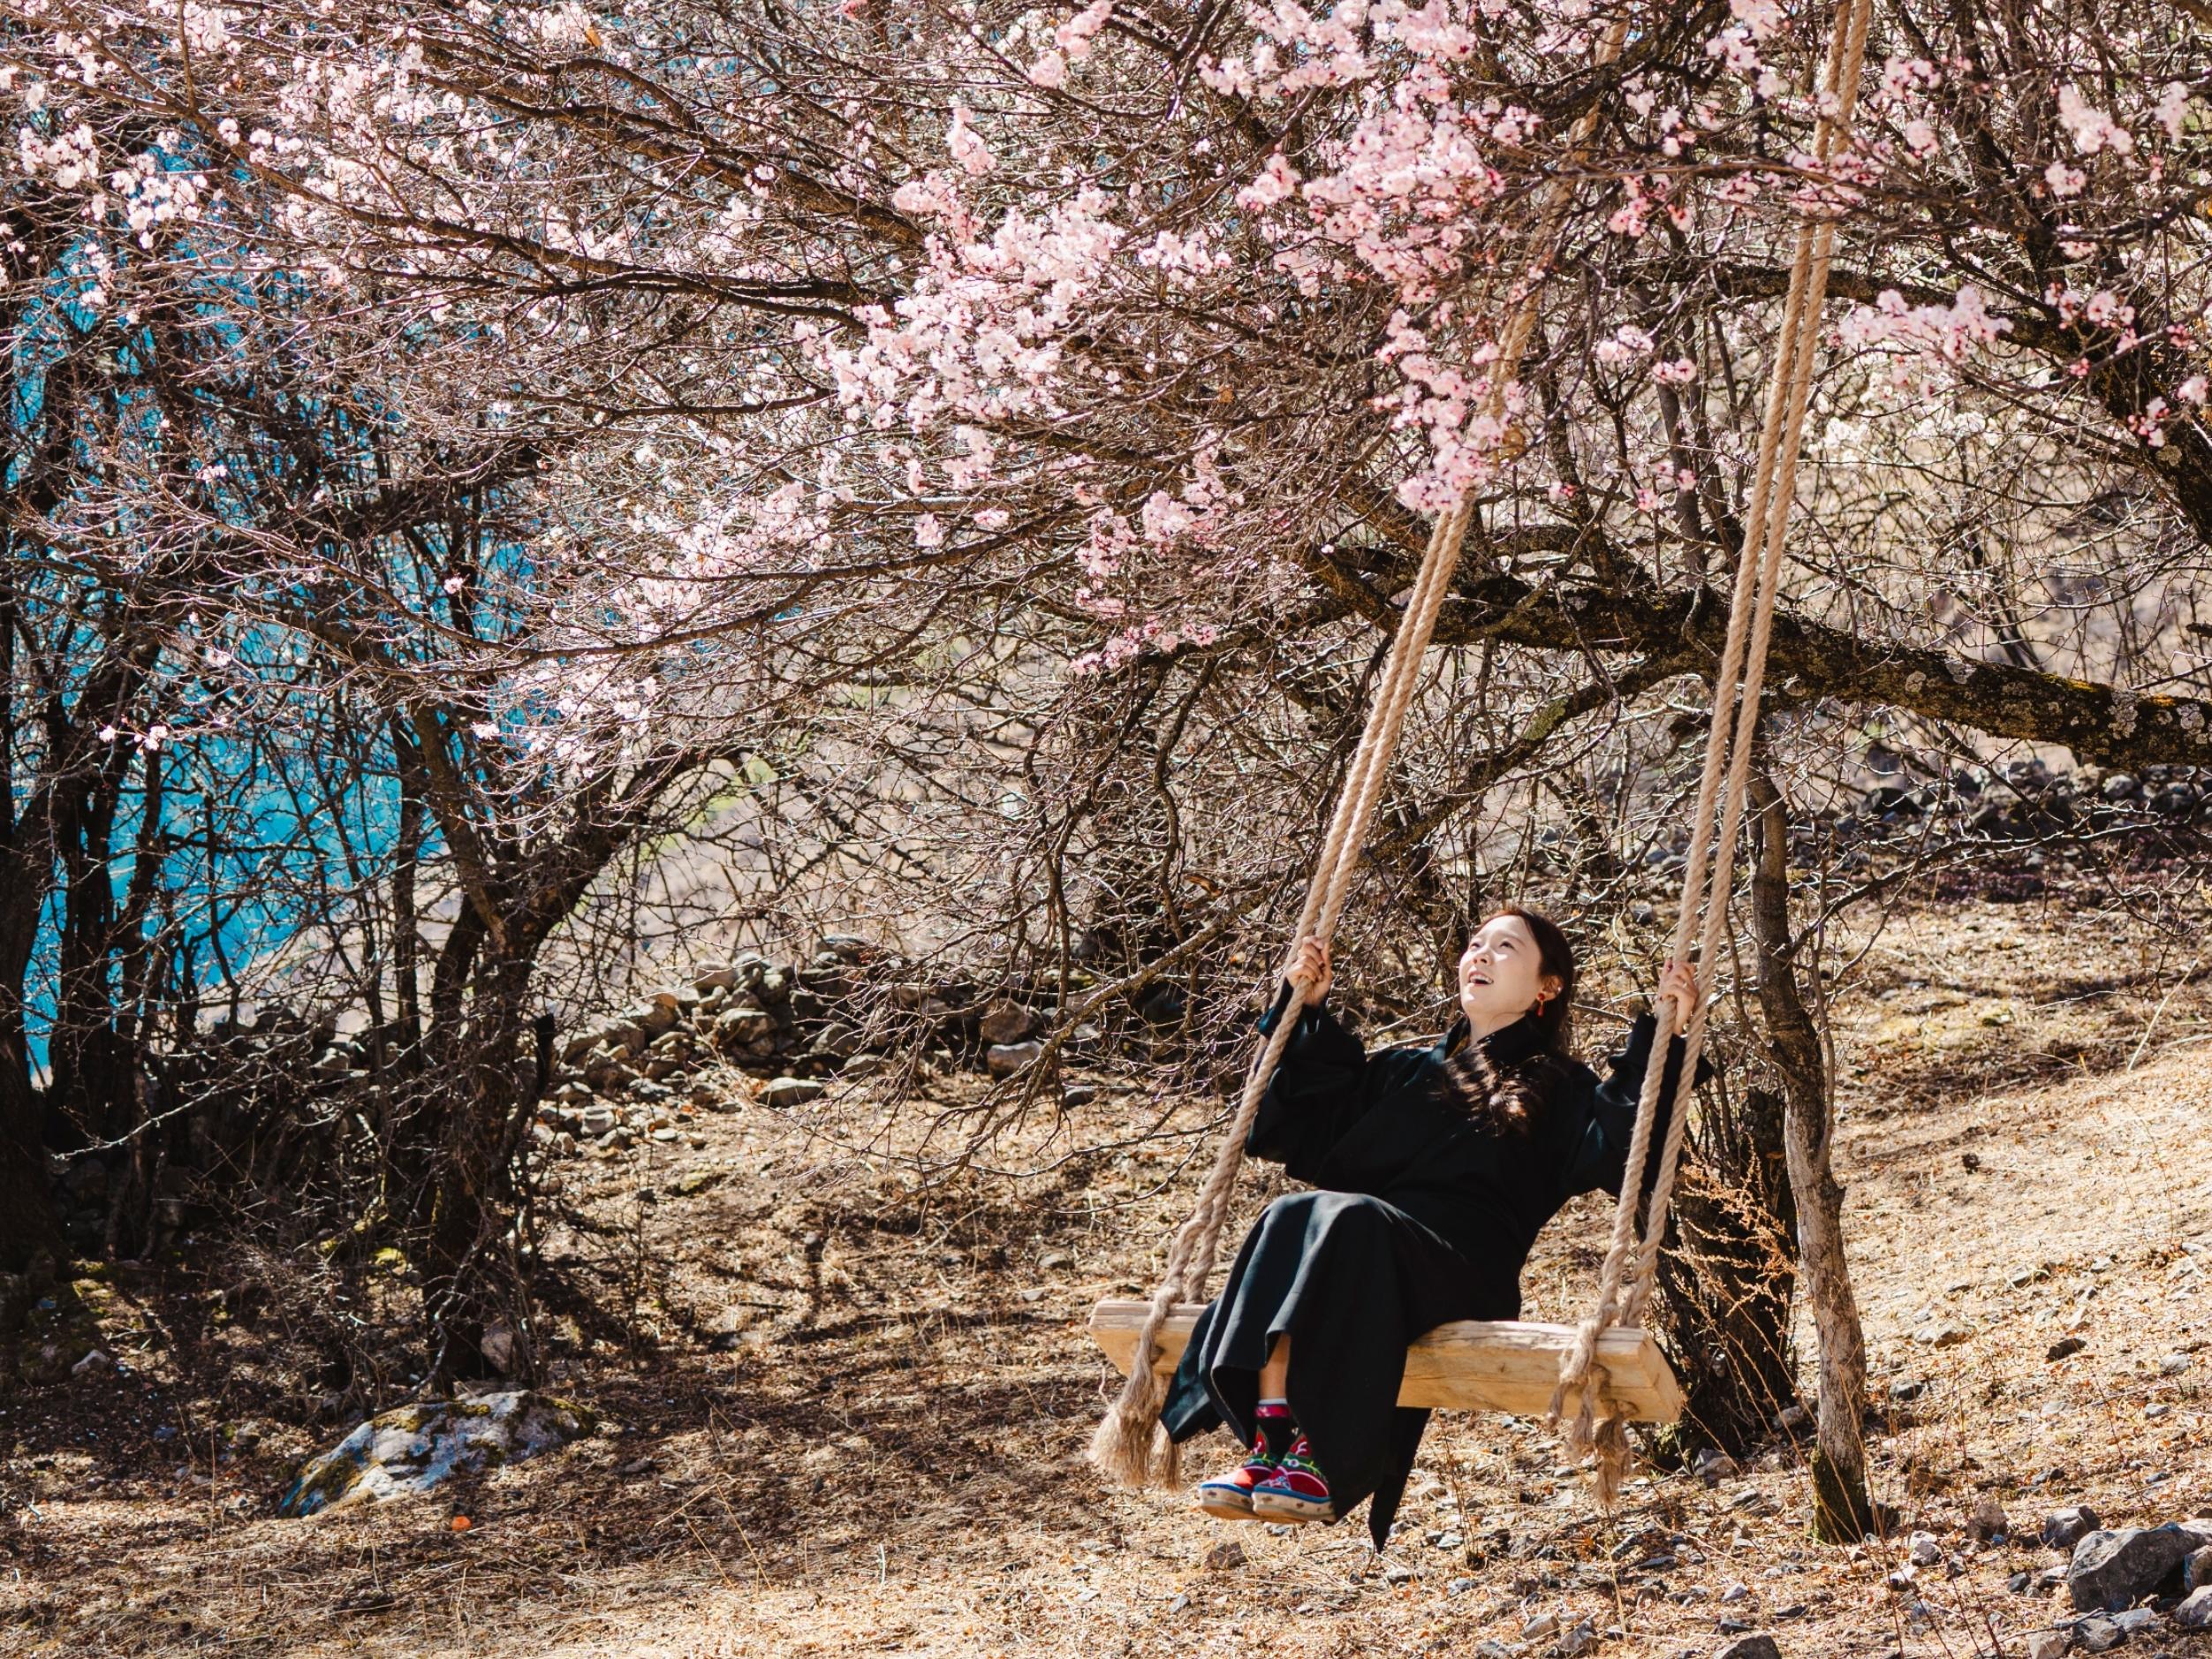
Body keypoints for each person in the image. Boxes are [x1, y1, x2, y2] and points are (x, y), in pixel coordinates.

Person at [1159, 905, 1702, 1548]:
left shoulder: (1560, 1085)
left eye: (1505, 947)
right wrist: (1306, 1011)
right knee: (1292, 1211)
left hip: (1465, 1269)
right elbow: (1293, 1127)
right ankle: (1272, 1438)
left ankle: (1323, 1457)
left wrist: (1666, 1036)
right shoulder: (1404, 1072)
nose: (1481, 956)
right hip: (1366, 1254)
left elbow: (1625, 1147)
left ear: (1548, 986)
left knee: (1347, 1216)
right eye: (1475, 944)